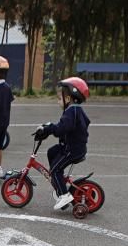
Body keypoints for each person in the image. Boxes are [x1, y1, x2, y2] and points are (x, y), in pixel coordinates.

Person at [34, 77, 91, 211]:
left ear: (69, 99)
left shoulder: (72, 111)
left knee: (55, 169)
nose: (58, 101)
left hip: (73, 149)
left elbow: (61, 129)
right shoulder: (75, 110)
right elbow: (66, 126)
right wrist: (50, 127)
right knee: (52, 152)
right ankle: (59, 182)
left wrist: (48, 129)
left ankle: (64, 195)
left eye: (60, 98)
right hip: (72, 146)